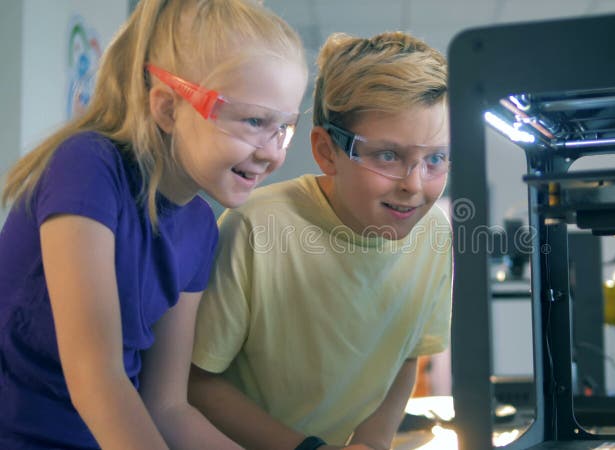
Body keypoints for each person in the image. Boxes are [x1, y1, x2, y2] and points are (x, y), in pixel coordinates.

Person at [0, 0, 307, 448]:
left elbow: (166, 407)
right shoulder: (89, 167)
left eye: (284, 128)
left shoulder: (201, 228)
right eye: (255, 121)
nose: (274, 152)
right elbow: (97, 378)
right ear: (167, 108)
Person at [189, 31, 452, 450]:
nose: (414, 185)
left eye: (435, 158)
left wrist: (372, 441)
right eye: (388, 155)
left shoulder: (434, 232)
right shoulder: (256, 227)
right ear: (327, 152)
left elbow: (407, 353)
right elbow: (198, 384)